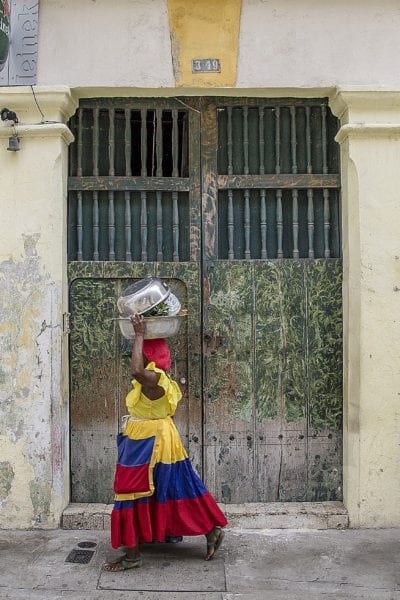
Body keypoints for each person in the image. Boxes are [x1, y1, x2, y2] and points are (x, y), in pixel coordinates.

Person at [104, 314, 227, 572]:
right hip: (158, 439)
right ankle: (210, 530)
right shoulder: (162, 380)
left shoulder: (154, 381)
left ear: (149, 359)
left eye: (141, 353)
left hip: (146, 444)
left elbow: (136, 370)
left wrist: (138, 334)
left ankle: (132, 555)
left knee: (130, 491)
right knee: (171, 487)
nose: (135, 358)